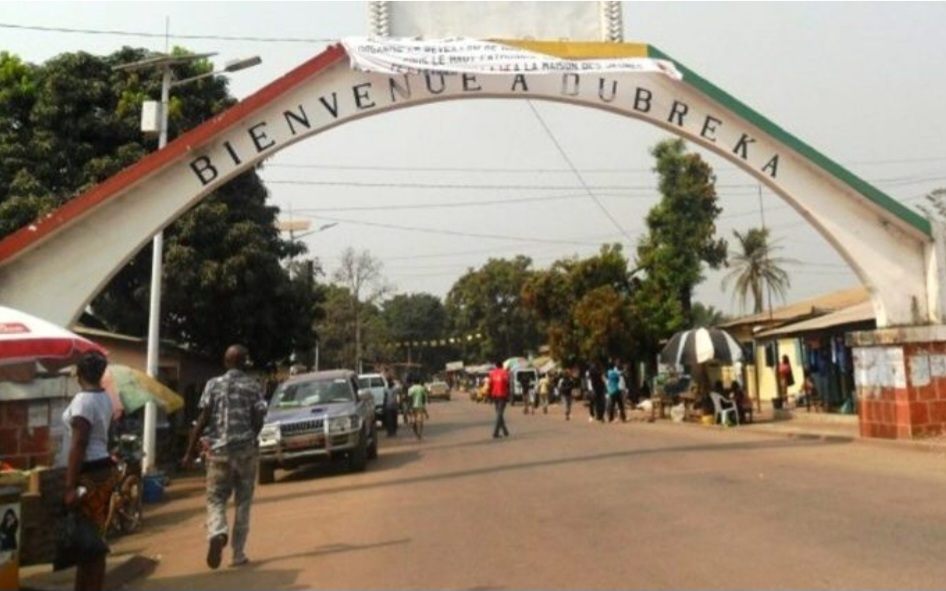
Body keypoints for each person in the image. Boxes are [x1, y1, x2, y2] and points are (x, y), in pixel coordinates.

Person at [182, 344, 267, 570]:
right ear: (245, 362)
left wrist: (189, 452)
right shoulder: (253, 386)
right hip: (245, 452)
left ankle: (218, 532)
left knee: (216, 498)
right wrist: (251, 437)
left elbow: (203, 419)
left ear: (226, 362)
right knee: (243, 502)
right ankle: (238, 554)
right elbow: (259, 418)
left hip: (218, 452)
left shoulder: (213, 385)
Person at [62, 350, 115, 591]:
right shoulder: (104, 398)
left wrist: (70, 486)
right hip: (103, 469)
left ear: (79, 373)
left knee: (88, 541)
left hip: (88, 472)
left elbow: (79, 443)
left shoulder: (83, 400)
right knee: (93, 539)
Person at [488, 361, 510, 438]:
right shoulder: (505, 373)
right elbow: (508, 384)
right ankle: (495, 432)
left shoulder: (492, 373)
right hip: (503, 395)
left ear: (496, 366)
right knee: (499, 413)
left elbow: (490, 385)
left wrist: (489, 396)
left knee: (499, 413)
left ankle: (505, 431)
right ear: (502, 365)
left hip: (494, 395)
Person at [407, 376, 429, 440]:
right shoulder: (422, 388)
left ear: (413, 382)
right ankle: (420, 433)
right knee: (420, 421)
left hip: (413, 407)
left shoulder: (410, 389)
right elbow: (424, 398)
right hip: (420, 407)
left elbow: (409, 399)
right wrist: (423, 405)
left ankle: (416, 434)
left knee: (413, 421)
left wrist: (409, 408)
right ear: (419, 381)